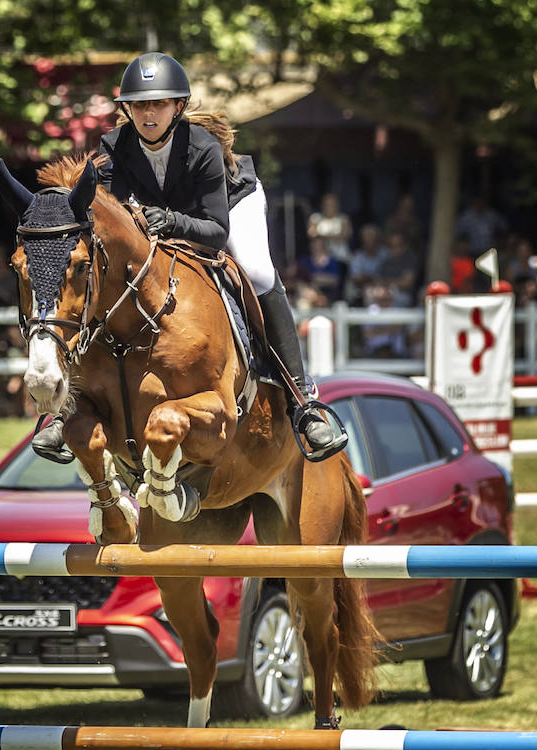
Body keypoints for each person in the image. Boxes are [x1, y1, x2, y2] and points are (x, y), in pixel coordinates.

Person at [30, 51, 345, 463]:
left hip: (227, 208)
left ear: (177, 106)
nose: (148, 115)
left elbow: (215, 232)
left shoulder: (203, 147)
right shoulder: (114, 148)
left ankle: (303, 402)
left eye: (158, 104)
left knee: (256, 270)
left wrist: (171, 221)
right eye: (140, 105)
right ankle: (68, 406)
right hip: (162, 229)